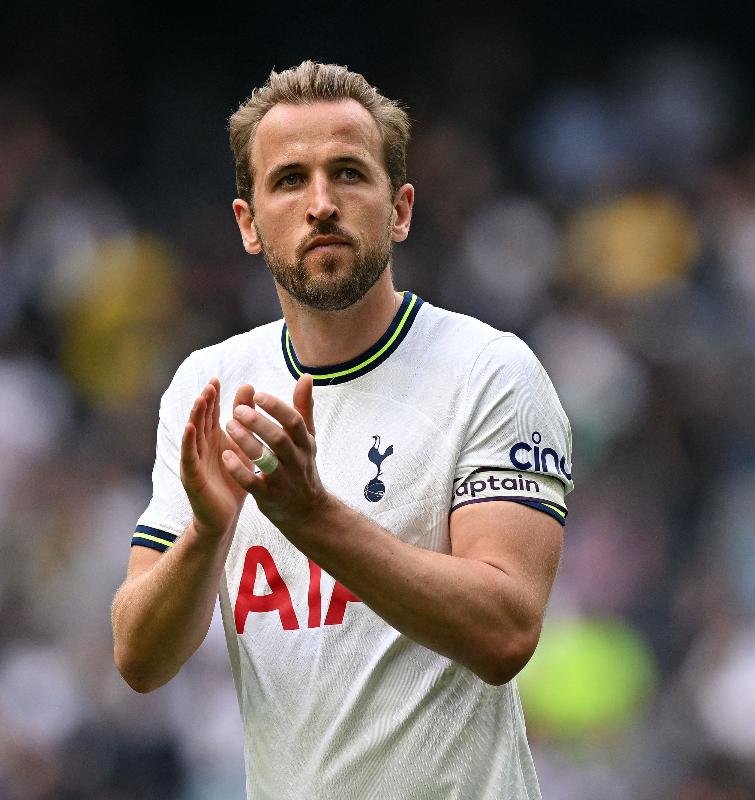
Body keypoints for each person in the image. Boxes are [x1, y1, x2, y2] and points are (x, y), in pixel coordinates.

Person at [110, 61, 573, 799]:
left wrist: (311, 515)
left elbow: (506, 632)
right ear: (248, 223)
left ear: (400, 209)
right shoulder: (210, 384)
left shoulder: (489, 371)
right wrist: (205, 533)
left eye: (350, 173)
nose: (321, 203)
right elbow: (139, 657)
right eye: (289, 180)